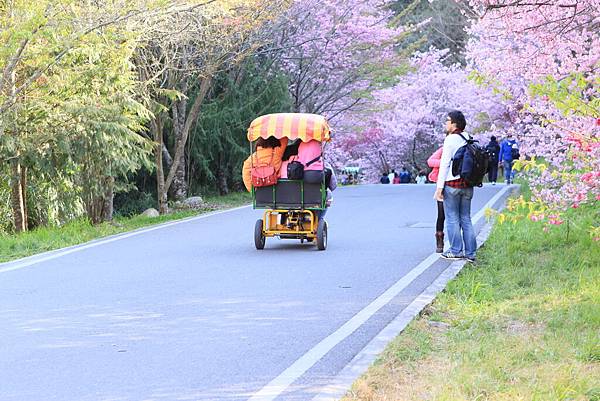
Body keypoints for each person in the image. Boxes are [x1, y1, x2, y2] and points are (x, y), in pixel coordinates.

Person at [433, 110, 477, 262]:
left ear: (454, 123)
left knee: (452, 218)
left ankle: (456, 250)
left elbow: (445, 164)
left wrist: (439, 188)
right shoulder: (468, 137)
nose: (446, 123)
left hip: (452, 185)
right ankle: (471, 253)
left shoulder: (450, 139)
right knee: (466, 218)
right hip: (468, 185)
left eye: (448, 121)